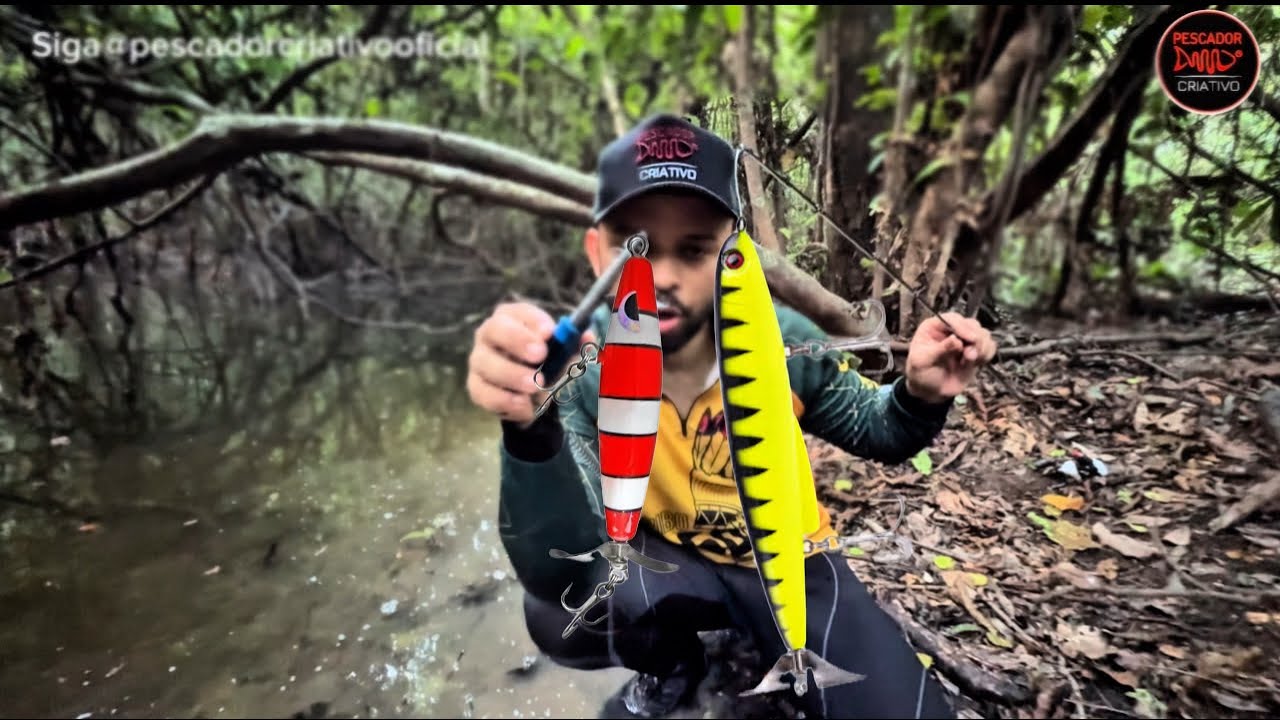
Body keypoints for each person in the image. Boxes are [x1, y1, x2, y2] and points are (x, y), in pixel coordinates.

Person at [466, 113, 998, 720]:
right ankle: (673, 662)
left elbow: (880, 429)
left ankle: (786, 654)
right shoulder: (580, 371)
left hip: (795, 563)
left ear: (735, 253)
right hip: (670, 567)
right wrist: (529, 432)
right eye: (634, 249)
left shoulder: (783, 342)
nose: (662, 276)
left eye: (694, 249)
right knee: (559, 608)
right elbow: (563, 551)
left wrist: (922, 392)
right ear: (596, 253)